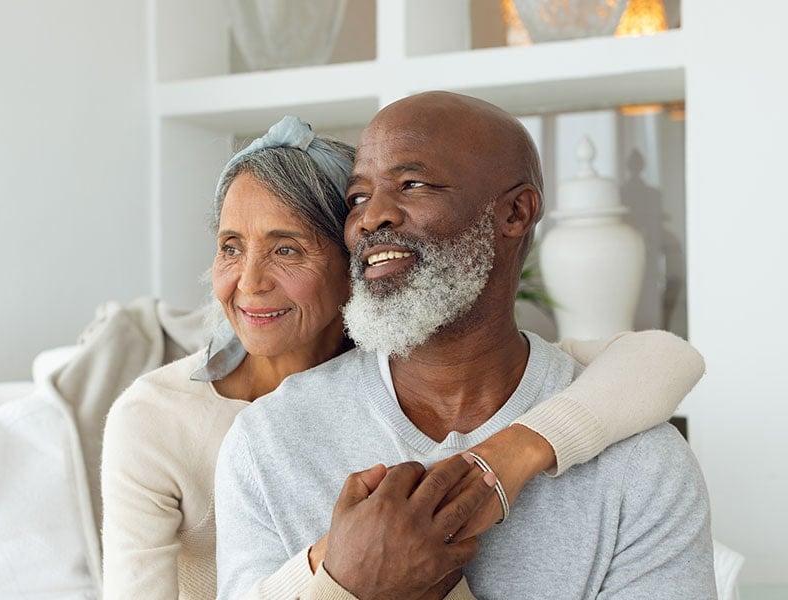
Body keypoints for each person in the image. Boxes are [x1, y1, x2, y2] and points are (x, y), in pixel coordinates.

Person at [101, 115, 706, 599]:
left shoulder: (637, 455)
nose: (249, 281)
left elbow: (662, 360)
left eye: (287, 249)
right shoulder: (250, 437)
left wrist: (509, 457)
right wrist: (342, 570)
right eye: (361, 197)